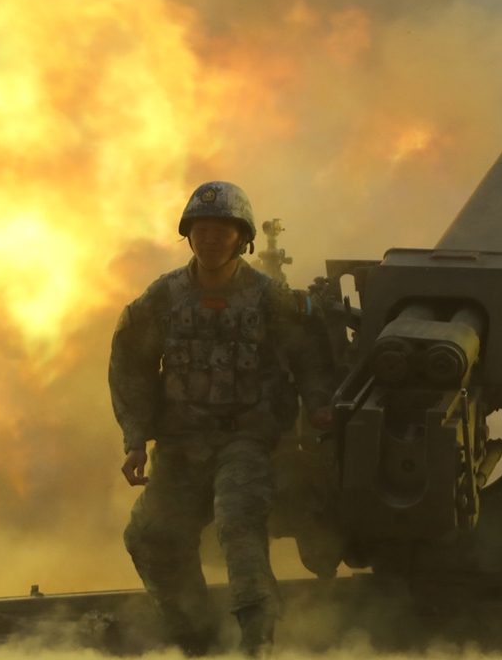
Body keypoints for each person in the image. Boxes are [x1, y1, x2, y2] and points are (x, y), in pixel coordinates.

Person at [109, 180, 335, 656]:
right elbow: (130, 360)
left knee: (238, 525)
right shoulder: (165, 297)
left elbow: (310, 349)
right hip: (180, 443)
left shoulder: (269, 297)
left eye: (222, 232)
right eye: (202, 230)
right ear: (188, 235)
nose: (211, 240)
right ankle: (197, 640)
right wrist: (135, 438)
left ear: (243, 239)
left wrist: (319, 408)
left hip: (246, 441)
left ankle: (258, 642)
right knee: (150, 537)